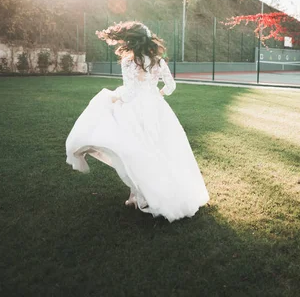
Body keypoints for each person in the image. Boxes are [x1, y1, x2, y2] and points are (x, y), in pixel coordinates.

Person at [65, 21, 209, 222]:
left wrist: (115, 99)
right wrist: (157, 93)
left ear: (131, 41)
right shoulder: (158, 61)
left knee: (135, 151)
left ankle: (137, 194)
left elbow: (130, 92)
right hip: (157, 109)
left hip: (135, 110)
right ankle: (144, 194)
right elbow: (171, 86)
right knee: (160, 150)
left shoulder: (129, 62)